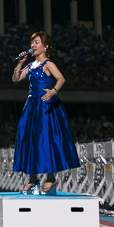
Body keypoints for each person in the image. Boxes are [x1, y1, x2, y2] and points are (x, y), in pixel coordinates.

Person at [12, 31, 80, 195]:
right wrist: (21, 63)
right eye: (32, 42)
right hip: (31, 106)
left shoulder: (48, 63)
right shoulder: (30, 65)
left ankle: (51, 179)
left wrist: (53, 91)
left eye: (36, 42)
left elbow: (61, 78)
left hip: (46, 105)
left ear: (46, 46)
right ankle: (33, 180)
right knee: (29, 140)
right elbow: (15, 79)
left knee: (47, 140)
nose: (33, 45)